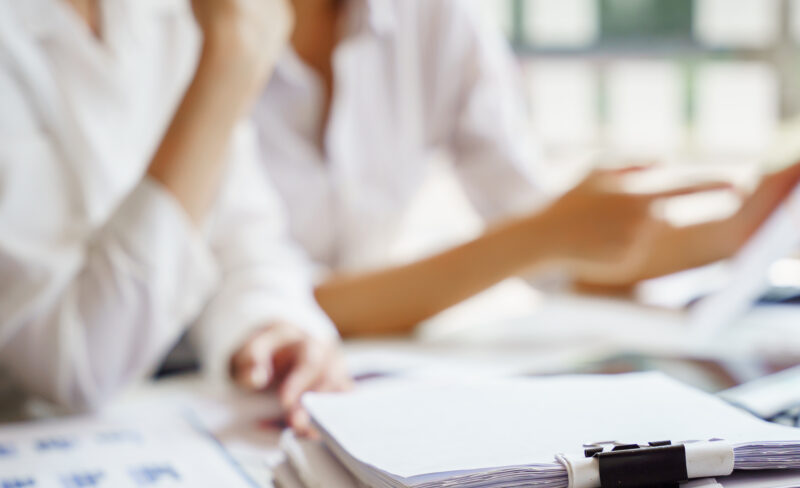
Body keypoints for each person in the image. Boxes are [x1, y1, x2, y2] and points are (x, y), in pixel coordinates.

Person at [254, 0, 800, 336]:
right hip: (197, 379)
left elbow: (556, 247)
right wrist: (539, 237)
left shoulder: (435, 15)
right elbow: (279, 301)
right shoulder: (201, 33)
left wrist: (743, 229)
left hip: (338, 373)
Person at [0, 0, 349, 427]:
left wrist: (271, 323)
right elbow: (78, 366)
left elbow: (242, 236)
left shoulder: (167, 12)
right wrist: (229, 63)